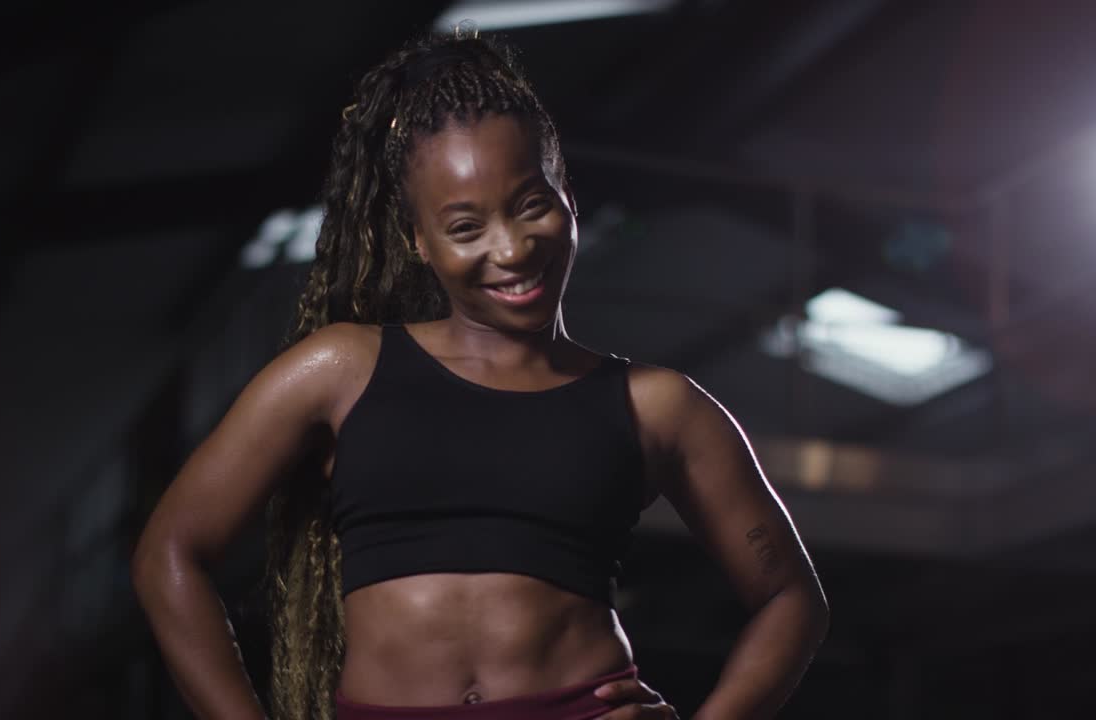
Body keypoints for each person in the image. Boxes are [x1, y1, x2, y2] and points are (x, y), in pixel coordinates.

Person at [132, 31, 828, 720]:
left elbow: (792, 598)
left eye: (531, 205)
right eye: (466, 227)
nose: (512, 248)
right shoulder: (339, 370)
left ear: (567, 196)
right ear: (419, 241)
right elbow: (170, 552)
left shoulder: (657, 405)